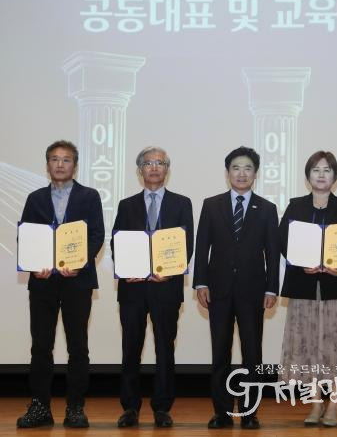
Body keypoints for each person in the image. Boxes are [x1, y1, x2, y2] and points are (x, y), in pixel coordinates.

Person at [17, 140, 105, 428]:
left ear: (74, 166)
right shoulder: (35, 198)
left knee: (78, 347)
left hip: (77, 282)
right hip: (42, 283)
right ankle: (40, 407)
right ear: (47, 165)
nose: (60, 164)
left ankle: (75, 407)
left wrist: (79, 263)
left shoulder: (89, 196)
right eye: (54, 159)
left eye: (66, 159)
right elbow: (25, 236)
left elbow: (97, 235)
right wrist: (34, 264)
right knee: (41, 346)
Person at [193, 146, 280, 429]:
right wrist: (201, 282)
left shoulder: (267, 209)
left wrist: (271, 288)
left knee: (252, 354)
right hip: (217, 290)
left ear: (255, 173)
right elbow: (202, 246)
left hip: (253, 291)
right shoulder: (211, 204)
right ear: (228, 172)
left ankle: (249, 412)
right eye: (236, 168)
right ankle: (221, 412)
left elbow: (272, 252)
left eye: (248, 168)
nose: (241, 173)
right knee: (220, 352)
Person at [279, 151, 337, 427]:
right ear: (308, 176)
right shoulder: (295, 206)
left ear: (335, 176)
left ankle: (334, 404)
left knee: (336, 346)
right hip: (304, 286)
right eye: (315, 170)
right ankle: (316, 403)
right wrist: (299, 262)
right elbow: (283, 240)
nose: (321, 174)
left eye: (327, 170)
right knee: (308, 346)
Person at [111, 147, 194, 428]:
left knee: (164, 349)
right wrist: (127, 269)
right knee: (130, 349)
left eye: (160, 163)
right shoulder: (126, 205)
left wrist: (169, 271)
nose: (154, 167)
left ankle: (162, 408)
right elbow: (117, 242)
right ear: (140, 170)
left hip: (166, 288)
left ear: (167, 169)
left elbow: (187, 244)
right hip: (133, 289)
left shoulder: (182, 203)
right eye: (148, 163)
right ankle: (130, 408)